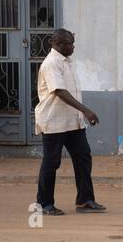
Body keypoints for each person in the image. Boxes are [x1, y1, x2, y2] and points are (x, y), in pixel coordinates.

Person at [34, 28, 105, 215]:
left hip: (72, 122)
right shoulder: (51, 63)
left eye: (72, 43)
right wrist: (86, 110)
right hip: (54, 121)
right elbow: (59, 91)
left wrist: (80, 114)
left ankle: (85, 200)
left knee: (83, 158)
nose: (73, 47)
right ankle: (44, 204)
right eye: (69, 43)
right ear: (57, 44)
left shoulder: (66, 62)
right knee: (51, 163)